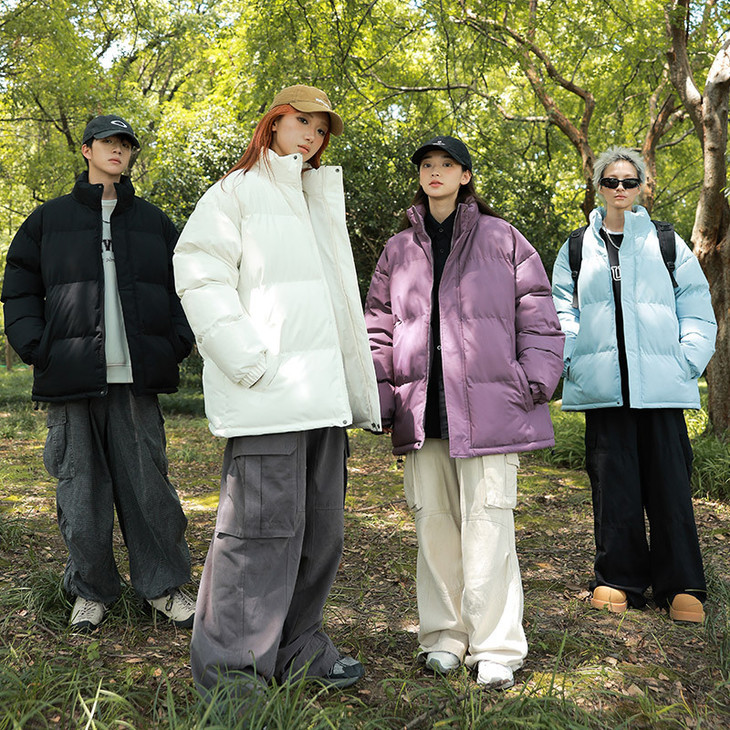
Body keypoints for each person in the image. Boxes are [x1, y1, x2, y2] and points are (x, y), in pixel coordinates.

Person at [173, 85, 381, 703]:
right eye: (302, 122)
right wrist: (248, 363)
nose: (311, 136)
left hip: (324, 401)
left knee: (321, 535)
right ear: (273, 122)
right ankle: (233, 678)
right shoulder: (235, 193)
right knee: (257, 539)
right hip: (269, 399)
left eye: (321, 129)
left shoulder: (318, 197)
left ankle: (297, 648)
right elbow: (199, 274)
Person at [364, 136, 564, 689]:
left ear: (465, 175)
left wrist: (535, 379)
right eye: (427, 165)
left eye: (447, 164)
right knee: (433, 526)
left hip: (490, 408)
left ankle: (496, 647)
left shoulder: (503, 238)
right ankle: (444, 638)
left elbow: (538, 313)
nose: (435, 172)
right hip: (422, 410)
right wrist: (381, 394)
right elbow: (377, 326)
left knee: (489, 529)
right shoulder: (398, 248)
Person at [1, 114, 196, 633]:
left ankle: (163, 588)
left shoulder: (153, 223)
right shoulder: (48, 220)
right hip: (70, 376)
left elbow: (185, 287)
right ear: (87, 150)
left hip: (136, 377)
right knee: (80, 492)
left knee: (150, 489)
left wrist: (174, 343)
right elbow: (19, 285)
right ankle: (90, 591)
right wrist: (36, 347)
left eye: (125, 144)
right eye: (107, 142)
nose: (117, 150)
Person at [551, 146, 716, 623]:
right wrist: (572, 360)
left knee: (670, 486)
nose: (620, 188)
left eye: (629, 181)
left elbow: (697, 306)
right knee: (613, 486)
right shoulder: (577, 247)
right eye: (611, 181)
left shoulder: (666, 242)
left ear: (642, 186)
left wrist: (687, 362)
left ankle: (680, 584)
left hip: (661, 386)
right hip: (603, 388)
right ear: (599, 188)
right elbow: (560, 310)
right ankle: (618, 579)